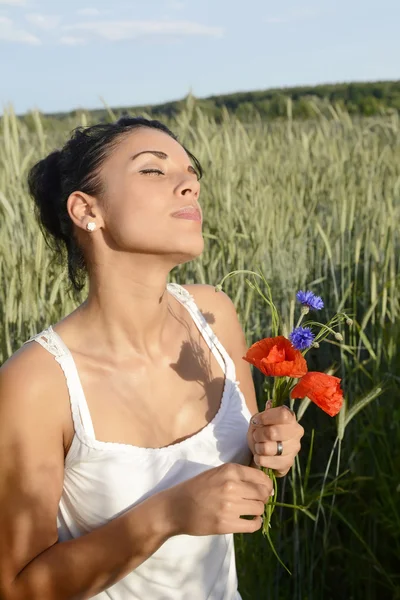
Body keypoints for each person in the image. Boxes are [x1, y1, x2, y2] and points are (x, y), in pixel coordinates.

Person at [0, 117, 304, 600]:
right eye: (154, 171)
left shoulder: (214, 315)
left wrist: (270, 449)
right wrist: (167, 515)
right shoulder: (38, 382)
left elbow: (242, 472)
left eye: (191, 171)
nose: (190, 184)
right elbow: (17, 587)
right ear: (86, 210)